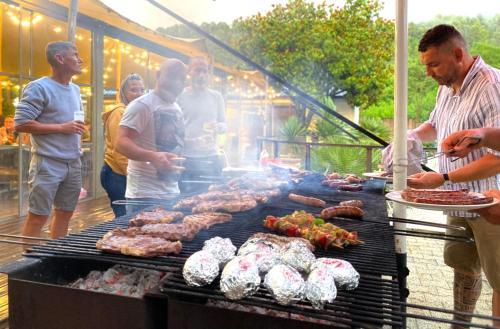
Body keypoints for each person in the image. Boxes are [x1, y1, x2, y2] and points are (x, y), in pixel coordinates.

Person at [384, 25, 500, 326]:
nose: (428, 72)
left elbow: (496, 160)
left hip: (491, 202)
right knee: (463, 267)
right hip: (459, 199)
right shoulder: (446, 89)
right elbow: (434, 124)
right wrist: (410, 136)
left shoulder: (491, 85)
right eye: (426, 65)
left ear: (458, 54)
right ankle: (459, 324)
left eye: (433, 64)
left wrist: (443, 178)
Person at [14, 41, 85, 239]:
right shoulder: (39, 87)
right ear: (60, 58)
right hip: (47, 163)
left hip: (73, 162)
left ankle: (56, 258)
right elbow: (20, 124)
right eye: (75, 55)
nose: (80, 60)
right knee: (38, 216)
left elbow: (71, 122)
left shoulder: (76, 89)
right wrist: (61, 127)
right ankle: (29, 267)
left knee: (65, 214)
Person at [116, 59, 187, 214]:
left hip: (172, 192)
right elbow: (121, 142)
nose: (177, 82)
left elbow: (176, 141)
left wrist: (195, 142)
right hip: (144, 197)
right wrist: (153, 157)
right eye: (172, 76)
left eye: (181, 79)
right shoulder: (142, 105)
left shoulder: (176, 107)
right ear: (158, 75)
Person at [408, 127, 500, 224]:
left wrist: (444, 178)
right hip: (453, 209)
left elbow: (497, 159)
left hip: (489, 206)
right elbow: (432, 126)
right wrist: (482, 135)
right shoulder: (440, 111)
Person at [176, 57, 227, 193]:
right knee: (187, 199)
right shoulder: (180, 95)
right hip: (187, 158)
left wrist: (219, 127)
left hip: (211, 157)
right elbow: (174, 129)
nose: (202, 75)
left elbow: (224, 124)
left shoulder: (216, 96)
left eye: (205, 71)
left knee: (214, 199)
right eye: (198, 71)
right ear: (189, 72)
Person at [100, 73, 145, 218]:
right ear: (123, 93)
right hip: (117, 174)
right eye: (133, 90)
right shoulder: (119, 113)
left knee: (131, 217)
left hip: (126, 173)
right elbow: (119, 150)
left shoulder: (135, 112)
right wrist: (134, 176)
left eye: (141, 90)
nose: (138, 94)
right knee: (124, 219)